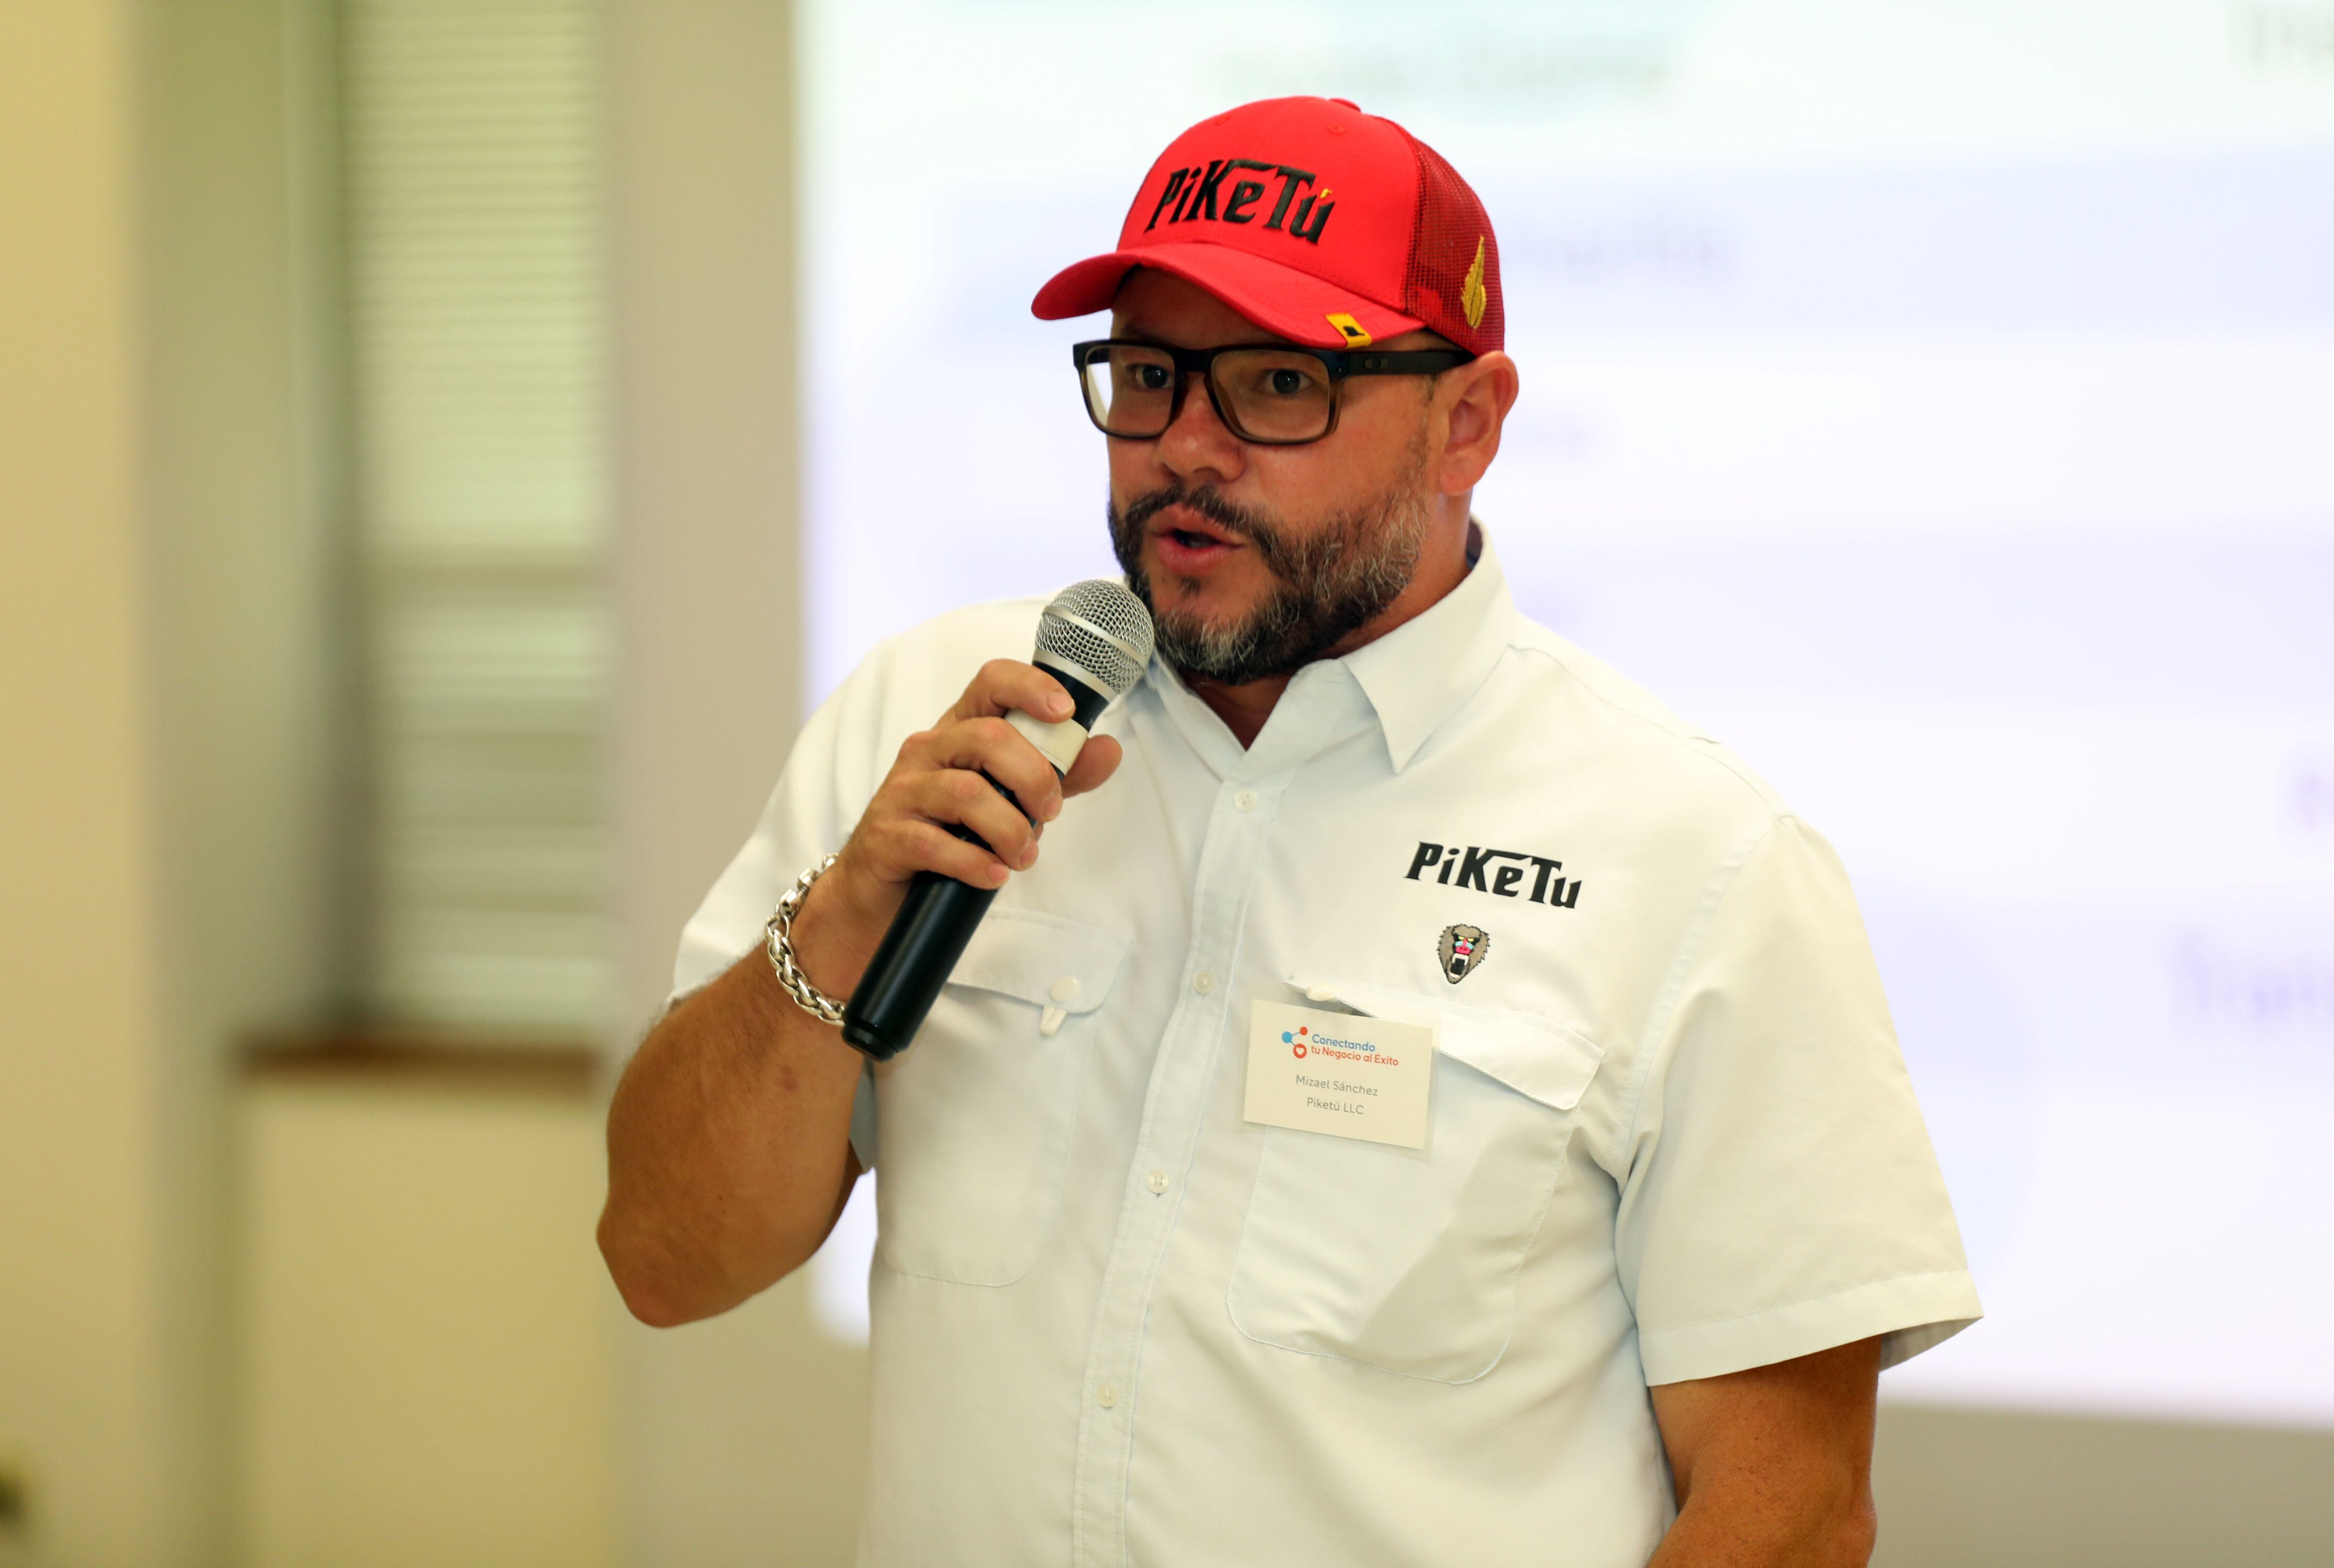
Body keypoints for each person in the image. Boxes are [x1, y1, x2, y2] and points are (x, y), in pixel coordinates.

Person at [599, 96, 1980, 1567]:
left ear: (1467, 423)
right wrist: (840, 922)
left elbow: (1791, 1512)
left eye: (1278, 383)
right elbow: (666, 1261)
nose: (1185, 448)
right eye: (1148, 374)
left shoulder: (1701, 857)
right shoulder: (940, 725)